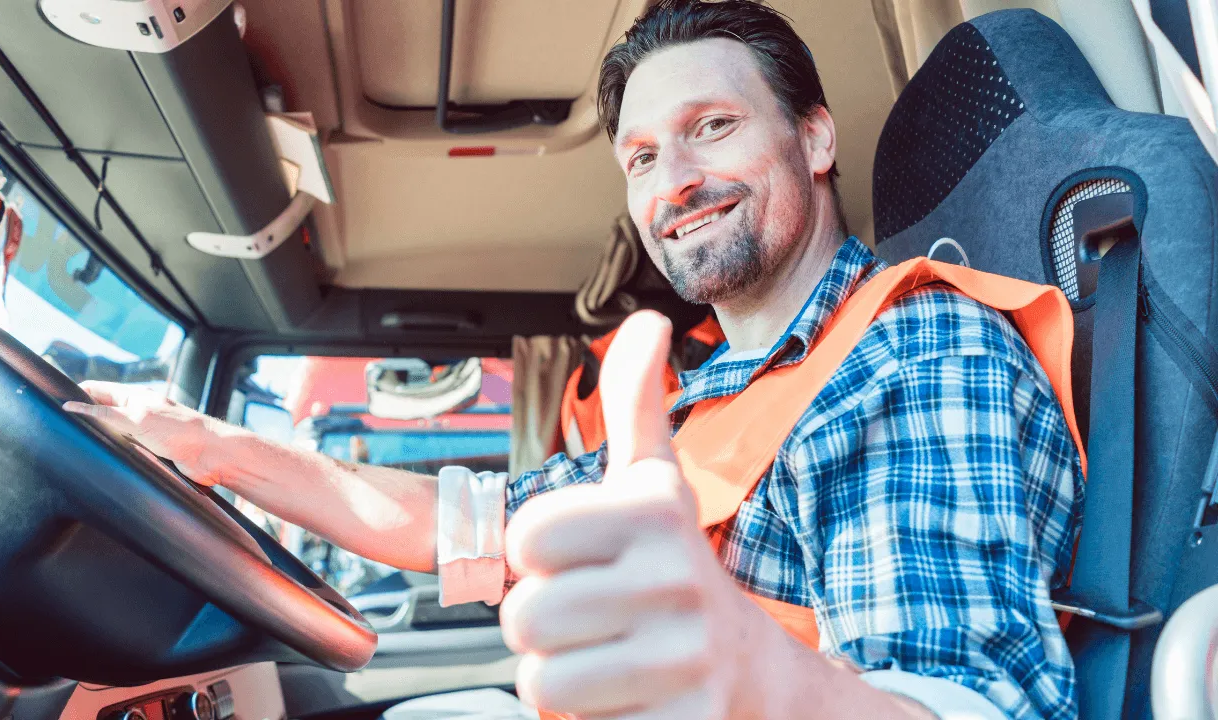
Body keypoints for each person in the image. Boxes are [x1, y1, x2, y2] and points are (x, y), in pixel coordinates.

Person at [65, 2, 1084, 718]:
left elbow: (966, 701)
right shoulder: (712, 400)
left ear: (813, 140)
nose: (672, 182)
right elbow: (452, 525)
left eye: (712, 129)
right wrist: (216, 450)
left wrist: (752, 683)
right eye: (640, 157)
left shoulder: (911, 351)